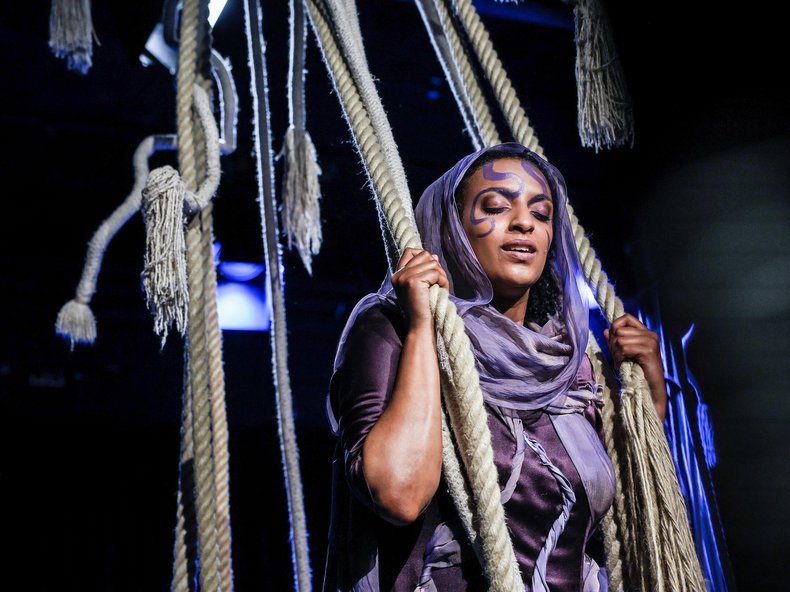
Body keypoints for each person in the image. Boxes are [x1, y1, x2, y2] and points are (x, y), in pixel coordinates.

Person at [322, 143, 667, 591]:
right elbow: (399, 495)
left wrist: (650, 390)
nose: (524, 222)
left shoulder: (568, 365)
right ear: (451, 230)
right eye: (496, 207)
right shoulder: (391, 327)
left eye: (541, 214)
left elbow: (623, 502)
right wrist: (423, 326)